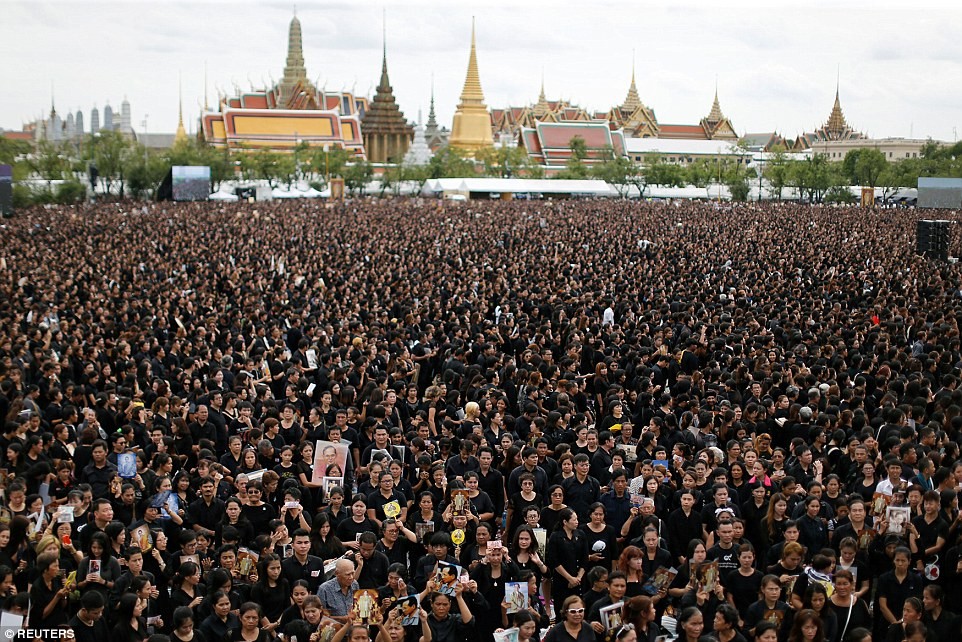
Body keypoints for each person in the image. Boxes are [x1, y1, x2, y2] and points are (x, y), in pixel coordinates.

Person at [546, 508, 588, 615]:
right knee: (562, 609)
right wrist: (569, 578)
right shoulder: (555, 537)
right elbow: (554, 561)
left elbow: (584, 558)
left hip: (579, 579)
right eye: (574, 520)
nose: (577, 522)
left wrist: (578, 578)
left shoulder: (581, 534)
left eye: (577, 519)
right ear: (565, 522)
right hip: (562, 580)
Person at [827, 570, 871, 642]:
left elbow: (867, 626)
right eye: (839, 584)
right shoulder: (828, 604)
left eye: (845, 584)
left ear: (852, 584)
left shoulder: (860, 603)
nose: (842, 587)